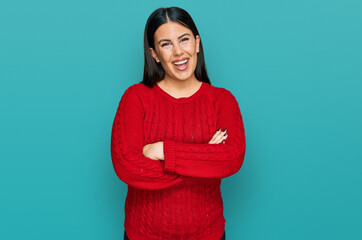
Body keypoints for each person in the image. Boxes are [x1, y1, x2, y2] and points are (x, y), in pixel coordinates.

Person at [111, 6, 246, 240]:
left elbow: (231, 159)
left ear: (197, 43)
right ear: (154, 54)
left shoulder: (222, 101)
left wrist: (161, 149)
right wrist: (204, 158)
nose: (178, 52)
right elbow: (128, 167)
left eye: (184, 40)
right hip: (143, 235)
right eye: (166, 44)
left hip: (208, 234)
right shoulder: (136, 98)